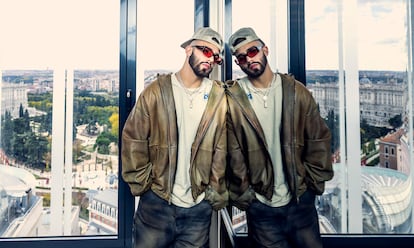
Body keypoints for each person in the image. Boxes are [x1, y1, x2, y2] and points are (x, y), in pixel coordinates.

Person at [225, 27, 334, 248]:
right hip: (260, 206)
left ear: (265, 50)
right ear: (238, 63)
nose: (248, 59)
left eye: (253, 51)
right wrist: (247, 196)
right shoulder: (233, 99)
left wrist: (311, 189)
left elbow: (318, 140)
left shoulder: (297, 92)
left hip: (300, 201)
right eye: (241, 57)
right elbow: (231, 151)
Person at [121, 27, 228, 248]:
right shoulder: (157, 91)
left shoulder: (219, 98)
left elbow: (222, 147)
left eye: (215, 56)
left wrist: (213, 191)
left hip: (198, 208)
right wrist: (146, 187)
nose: (211, 59)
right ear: (189, 49)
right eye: (206, 51)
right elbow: (133, 139)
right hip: (156, 205)